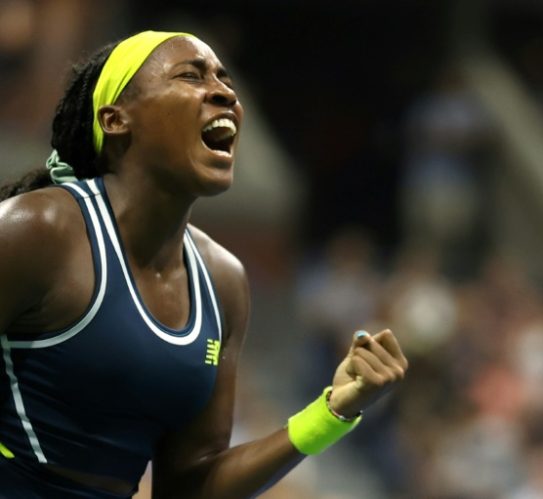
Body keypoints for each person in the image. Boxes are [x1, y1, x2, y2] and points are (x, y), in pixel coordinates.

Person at [0, 30, 408, 498]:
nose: (224, 92)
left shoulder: (223, 280)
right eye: (190, 76)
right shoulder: (38, 229)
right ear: (116, 120)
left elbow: (191, 484)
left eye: (224, 79)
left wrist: (330, 413)